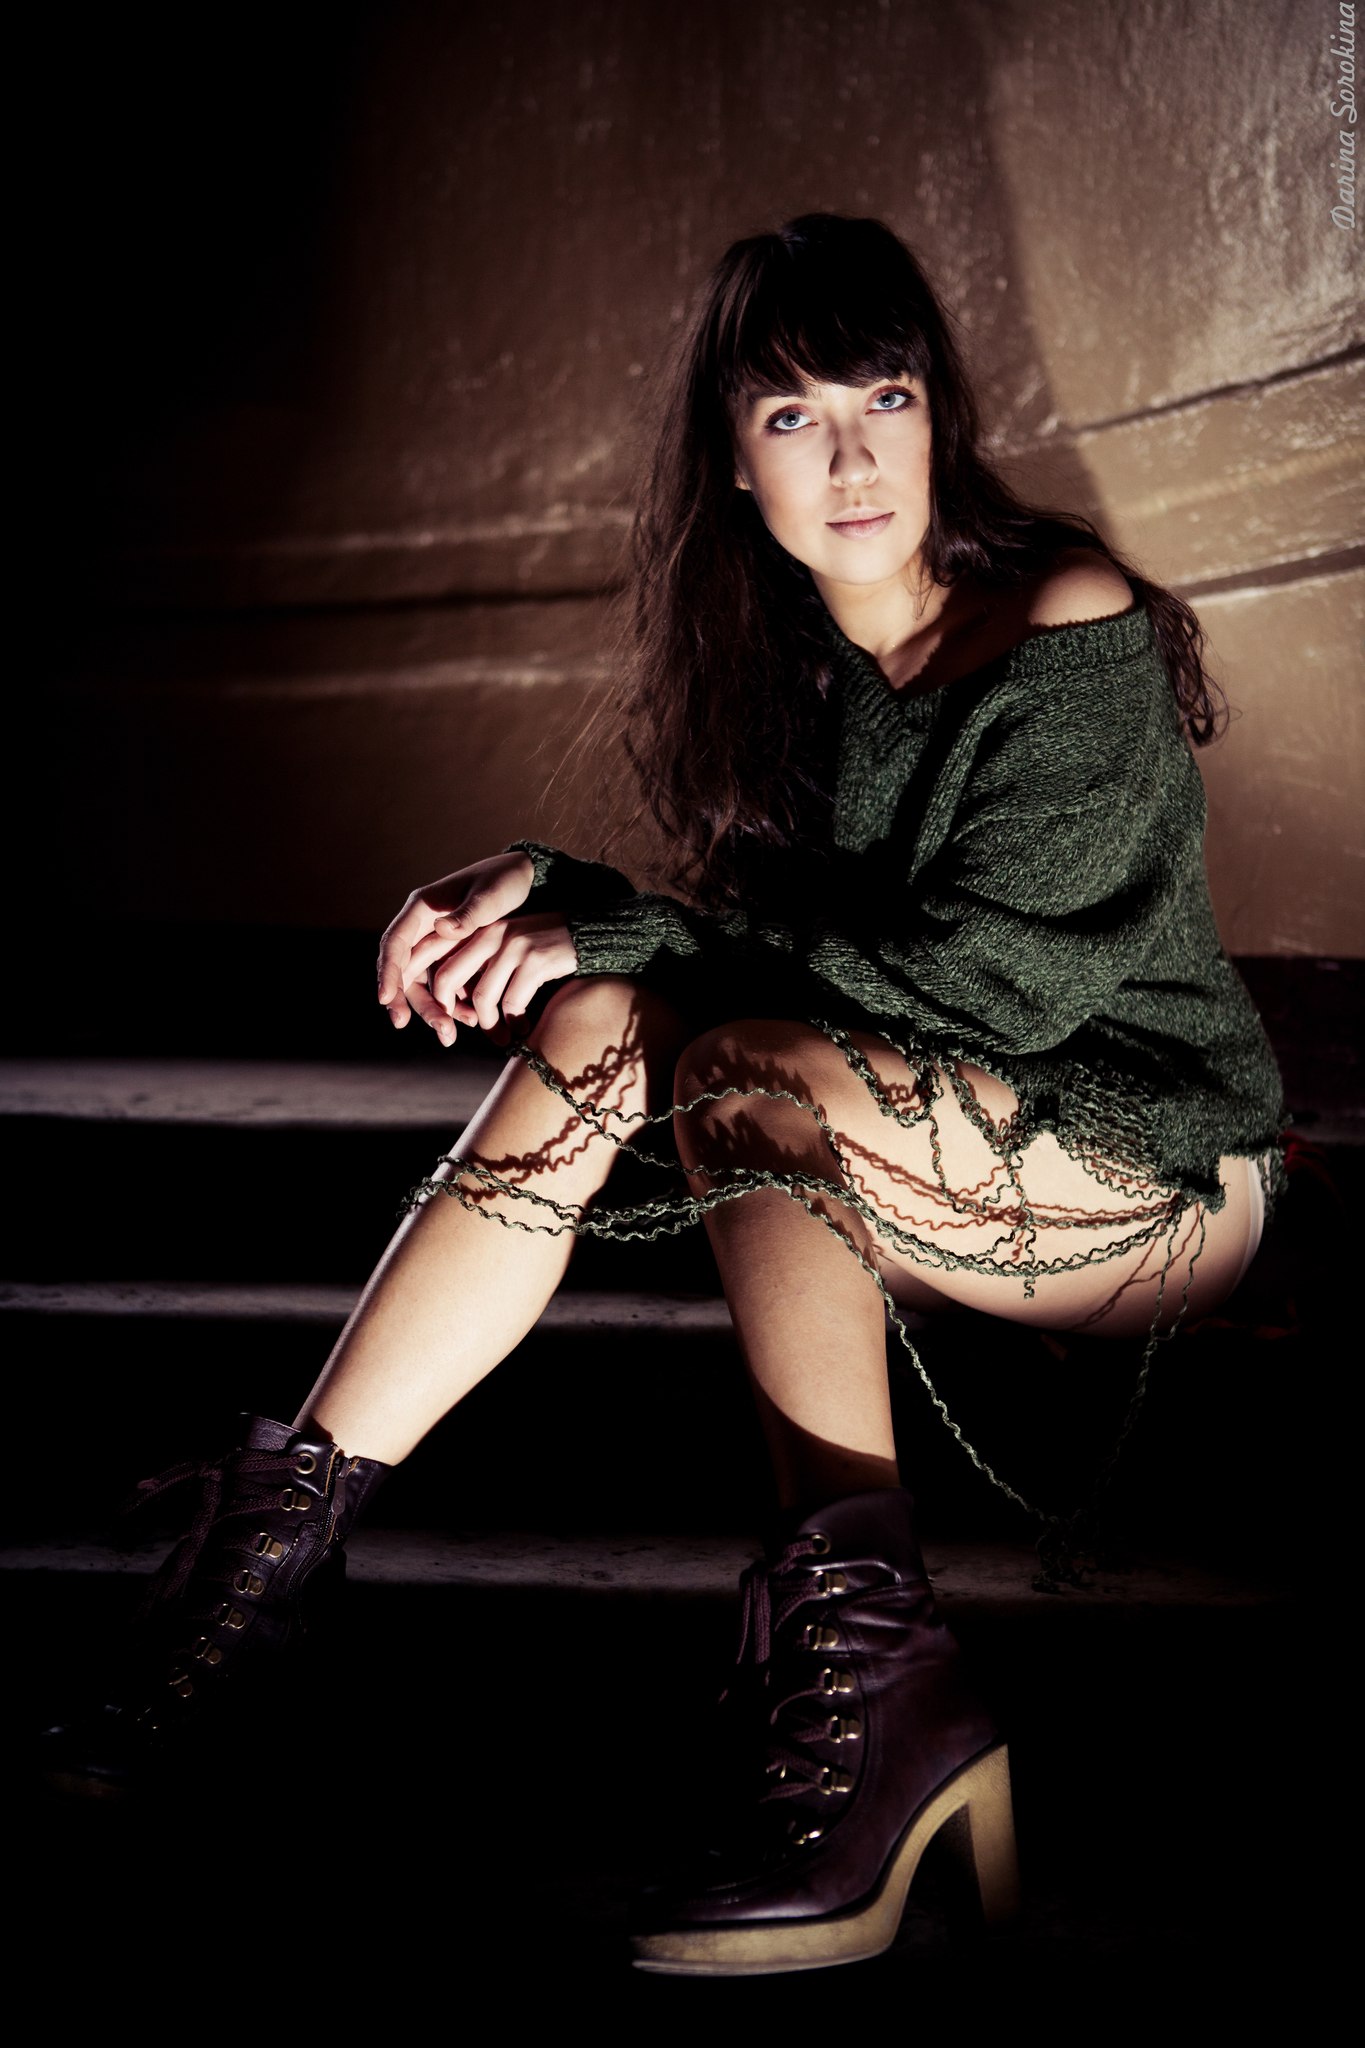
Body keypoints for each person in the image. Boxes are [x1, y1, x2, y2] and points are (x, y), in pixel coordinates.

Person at [40, 213, 1284, 1974]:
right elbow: (769, 954)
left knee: (738, 1064)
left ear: (941, 412)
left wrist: (606, 916)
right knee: (614, 1017)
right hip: (915, 1142)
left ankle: (878, 1672)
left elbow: (984, 992)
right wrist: (567, 913)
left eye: (884, 397)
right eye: (790, 417)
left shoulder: (1061, 619)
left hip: (1149, 1174)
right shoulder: (779, 672)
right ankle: (271, 1567)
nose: (850, 459)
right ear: (731, 458)